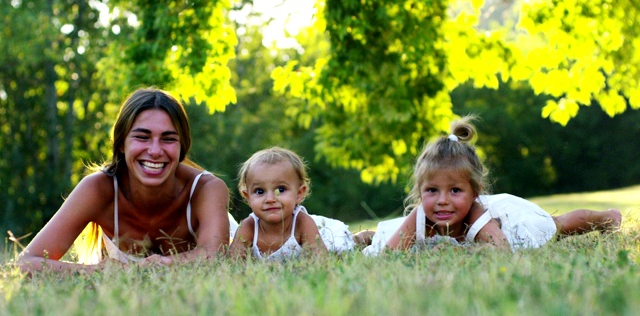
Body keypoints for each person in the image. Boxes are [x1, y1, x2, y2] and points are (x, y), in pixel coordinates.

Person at [17, 87, 237, 273]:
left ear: (182, 147)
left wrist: (163, 263)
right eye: (142, 137)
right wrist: (95, 272)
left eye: (168, 139)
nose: (155, 150)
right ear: (121, 144)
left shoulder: (207, 188)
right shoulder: (98, 188)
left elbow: (213, 257)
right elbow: (28, 262)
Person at [364, 116, 622, 255]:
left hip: (510, 220)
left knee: (557, 227)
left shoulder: (476, 213)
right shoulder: (421, 214)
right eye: (432, 190)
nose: (442, 200)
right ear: (420, 192)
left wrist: (463, 254)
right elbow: (389, 255)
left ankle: (605, 218)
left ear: (473, 193)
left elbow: (501, 250)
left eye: (455, 190)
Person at [229, 147, 359, 261]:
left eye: (280, 189)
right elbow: (233, 262)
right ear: (248, 197)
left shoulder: (302, 222)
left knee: (344, 247)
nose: (270, 199)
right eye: (260, 191)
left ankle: (362, 237)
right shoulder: (249, 226)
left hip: (325, 235)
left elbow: (321, 260)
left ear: (299, 193)